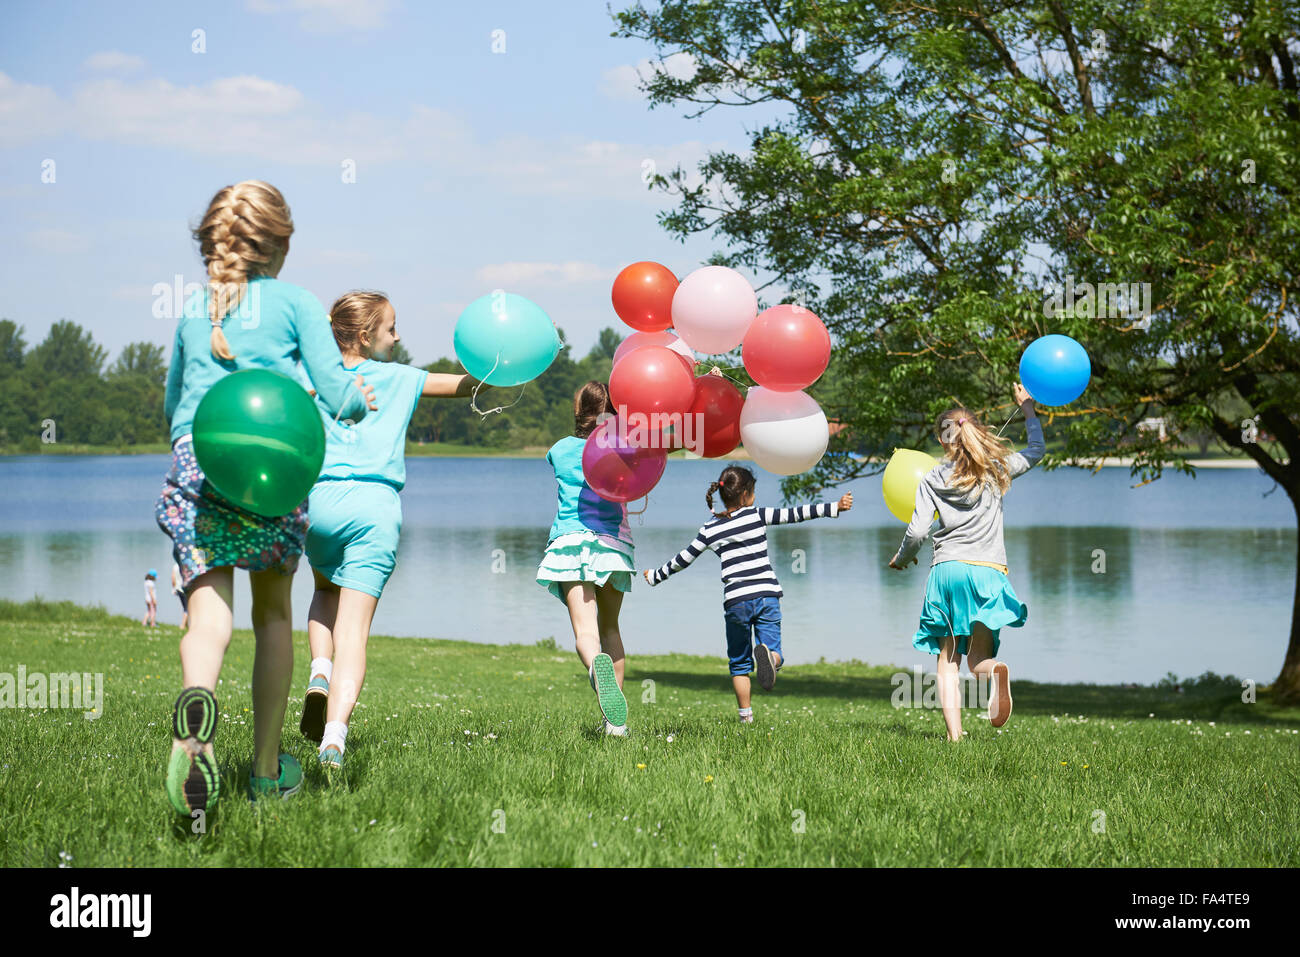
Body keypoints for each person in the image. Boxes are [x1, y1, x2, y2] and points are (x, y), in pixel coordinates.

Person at [156, 180, 375, 815]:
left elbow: (174, 407)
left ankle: (197, 706)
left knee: (208, 613)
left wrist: (190, 446)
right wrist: (361, 400)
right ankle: (262, 771)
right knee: (274, 615)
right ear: (281, 244)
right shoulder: (297, 303)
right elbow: (337, 394)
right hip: (273, 468)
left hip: (202, 462)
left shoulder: (196, 307)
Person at [299, 291, 480, 775]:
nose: (398, 338)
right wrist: (502, 364)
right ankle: (334, 738)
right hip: (376, 509)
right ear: (365, 335)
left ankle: (319, 669)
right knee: (354, 632)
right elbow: (466, 387)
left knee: (322, 588)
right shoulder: (402, 378)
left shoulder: (312, 378)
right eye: (392, 329)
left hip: (318, 504)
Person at [888, 383, 1044, 741]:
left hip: (948, 573)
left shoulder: (932, 478)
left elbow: (917, 532)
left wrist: (901, 558)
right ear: (977, 432)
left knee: (948, 661)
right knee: (978, 661)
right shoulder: (995, 468)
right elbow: (1036, 450)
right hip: (988, 573)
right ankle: (996, 672)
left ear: (943, 441)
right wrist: (1029, 411)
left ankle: (954, 737)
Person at [643, 465, 851, 722]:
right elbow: (795, 514)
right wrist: (834, 508)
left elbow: (684, 558)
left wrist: (656, 576)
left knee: (739, 663)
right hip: (766, 594)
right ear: (745, 495)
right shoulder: (756, 515)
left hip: (737, 601)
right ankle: (771, 659)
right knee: (774, 648)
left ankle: (746, 717)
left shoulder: (711, 528)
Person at [535, 382, 634, 736]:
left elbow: (561, 459)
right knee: (611, 628)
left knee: (585, 630)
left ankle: (595, 668)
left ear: (579, 411)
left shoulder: (559, 450)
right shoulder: (624, 449)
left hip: (570, 544)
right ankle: (615, 725)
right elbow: (669, 441)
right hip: (612, 546)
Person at [170, 563, 188, 630]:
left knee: (184, 606)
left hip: (178, 588)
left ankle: (186, 625)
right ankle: (182, 625)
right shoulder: (186, 565)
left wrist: (174, 588)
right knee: (187, 608)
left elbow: (173, 578)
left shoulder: (175, 566)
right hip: (185, 588)